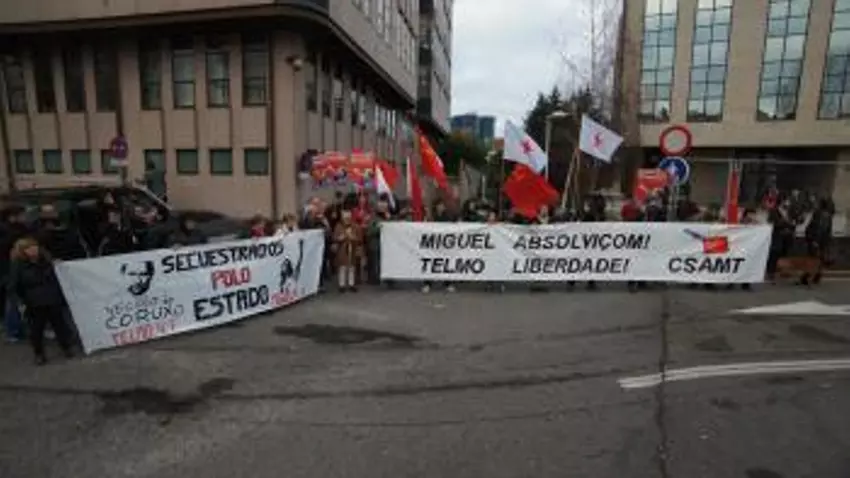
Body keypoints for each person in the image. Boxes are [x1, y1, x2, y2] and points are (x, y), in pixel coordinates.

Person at [7, 238, 75, 365]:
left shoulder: (47, 260)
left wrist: (59, 266)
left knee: (60, 326)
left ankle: (66, 347)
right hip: (34, 302)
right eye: (29, 248)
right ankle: (39, 354)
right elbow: (13, 285)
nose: (33, 250)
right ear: (23, 251)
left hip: (52, 298)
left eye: (34, 247)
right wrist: (19, 302)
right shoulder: (18, 266)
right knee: (36, 330)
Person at [0, 205, 30, 342]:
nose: (25, 217)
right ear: (13, 217)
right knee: (12, 300)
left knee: (18, 299)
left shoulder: (23, 228)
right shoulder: (6, 230)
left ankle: (18, 327)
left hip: (19, 267)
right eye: (22, 215)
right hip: (8, 269)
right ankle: (12, 330)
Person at [333, 209, 363, 292]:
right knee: (342, 267)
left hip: (352, 248)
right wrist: (341, 238)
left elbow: (360, 238)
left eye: (348, 217)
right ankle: (342, 285)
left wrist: (353, 237)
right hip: (342, 249)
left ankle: (351, 284)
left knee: (351, 267)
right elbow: (335, 238)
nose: (347, 219)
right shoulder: (338, 226)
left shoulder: (355, 226)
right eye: (345, 217)